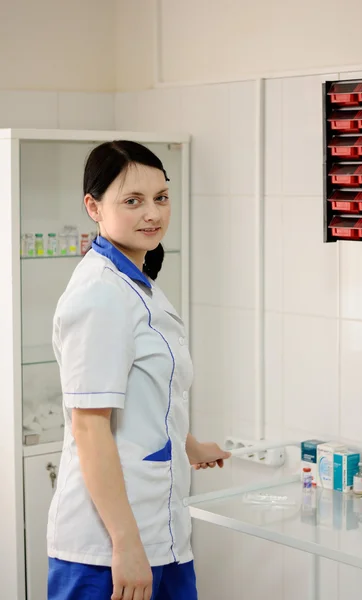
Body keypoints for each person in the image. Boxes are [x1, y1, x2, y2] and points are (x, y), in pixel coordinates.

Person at [47, 140, 231, 600]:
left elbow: (147, 393)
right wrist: (126, 546)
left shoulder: (138, 282)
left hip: (161, 531)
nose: (153, 214)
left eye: (161, 198)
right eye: (133, 201)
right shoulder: (100, 294)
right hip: (106, 547)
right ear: (94, 206)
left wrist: (187, 444)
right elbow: (90, 428)